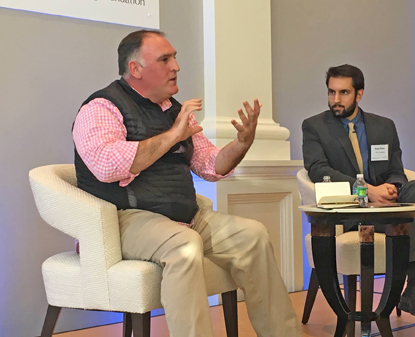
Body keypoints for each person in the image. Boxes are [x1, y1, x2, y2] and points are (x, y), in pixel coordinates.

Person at [72, 29, 301, 337]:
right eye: (165, 59)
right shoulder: (101, 108)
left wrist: (242, 143)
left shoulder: (175, 111)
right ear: (135, 69)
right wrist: (172, 137)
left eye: (175, 57)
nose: (176, 66)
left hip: (185, 216)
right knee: (185, 246)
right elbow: (106, 167)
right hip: (125, 217)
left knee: (254, 235)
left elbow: (209, 164)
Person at [302, 64, 415, 337]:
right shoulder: (314, 126)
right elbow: (318, 169)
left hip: (388, 210)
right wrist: (368, 190)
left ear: (359, 94)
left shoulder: (384, 126)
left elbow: (396, 170)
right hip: (348, 213)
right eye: (331, 92)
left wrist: (393, 188)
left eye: (343, 92)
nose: (336, 99)